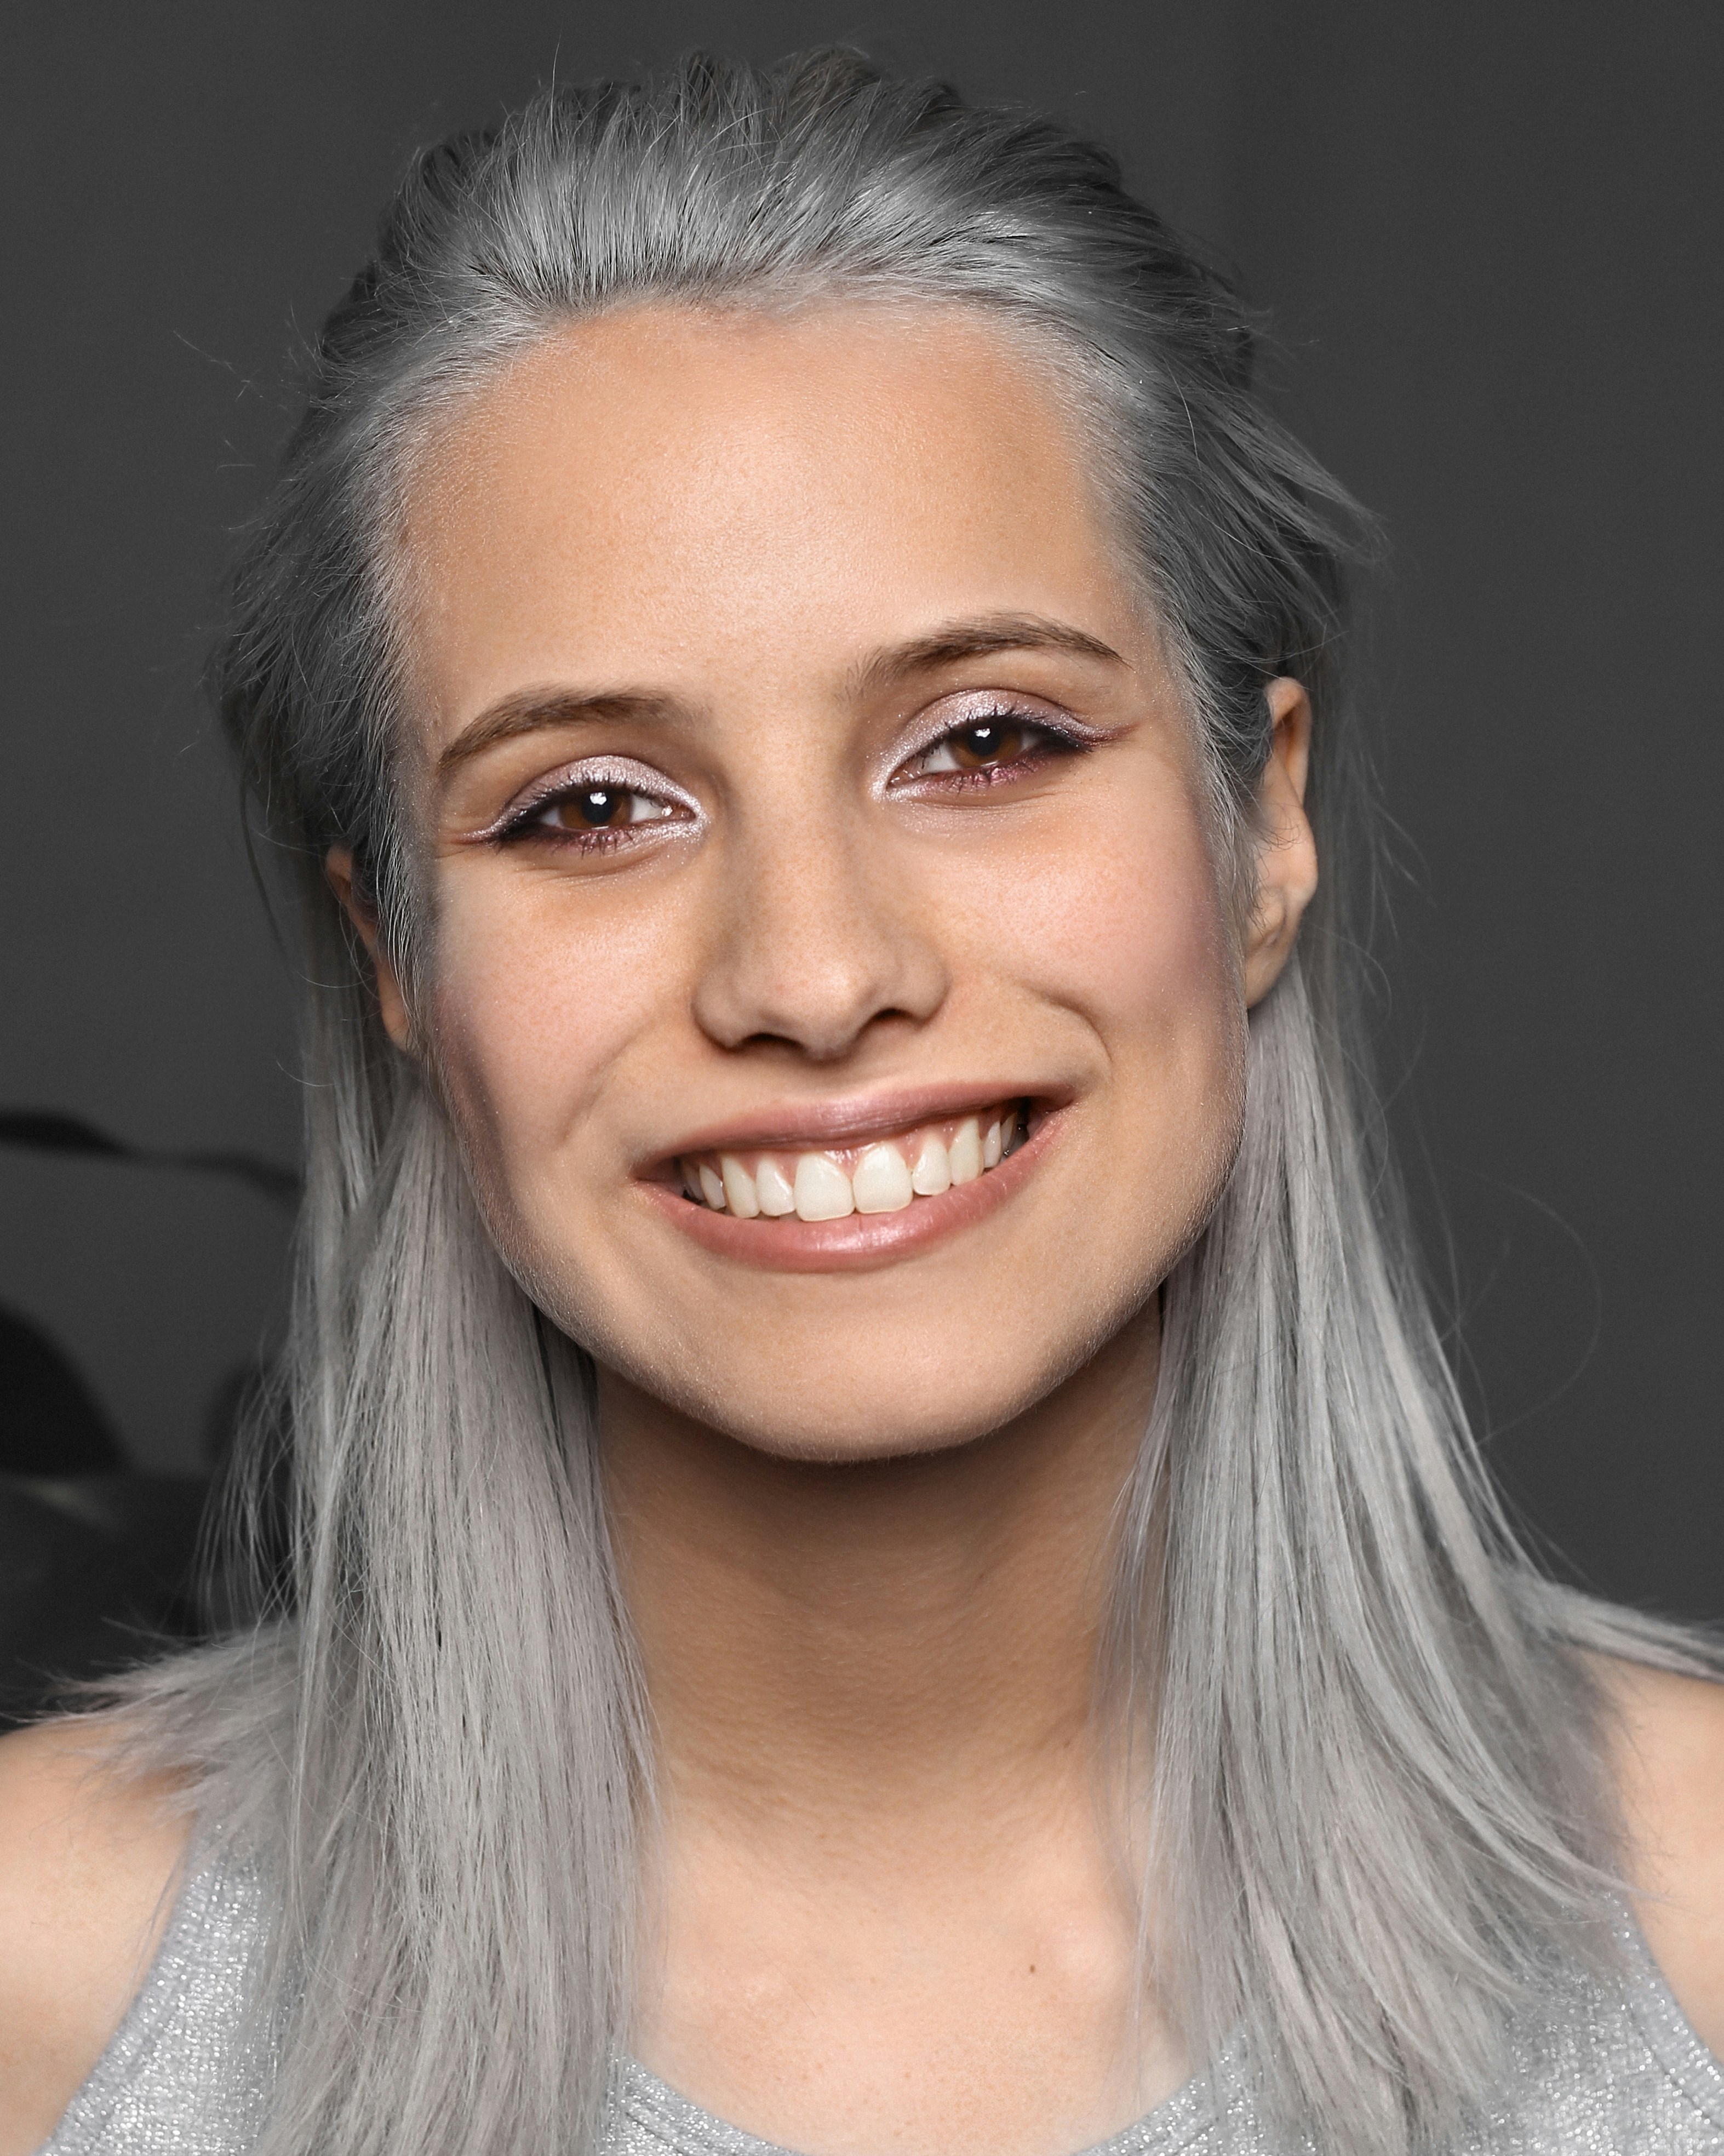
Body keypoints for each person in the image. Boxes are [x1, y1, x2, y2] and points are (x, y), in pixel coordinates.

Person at [1, 48, 1720, 2156]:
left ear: (1259, 828)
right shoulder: (41, 1992)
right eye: (591, 806)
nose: (813, 979)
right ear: (395, 965)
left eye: (984, 744)